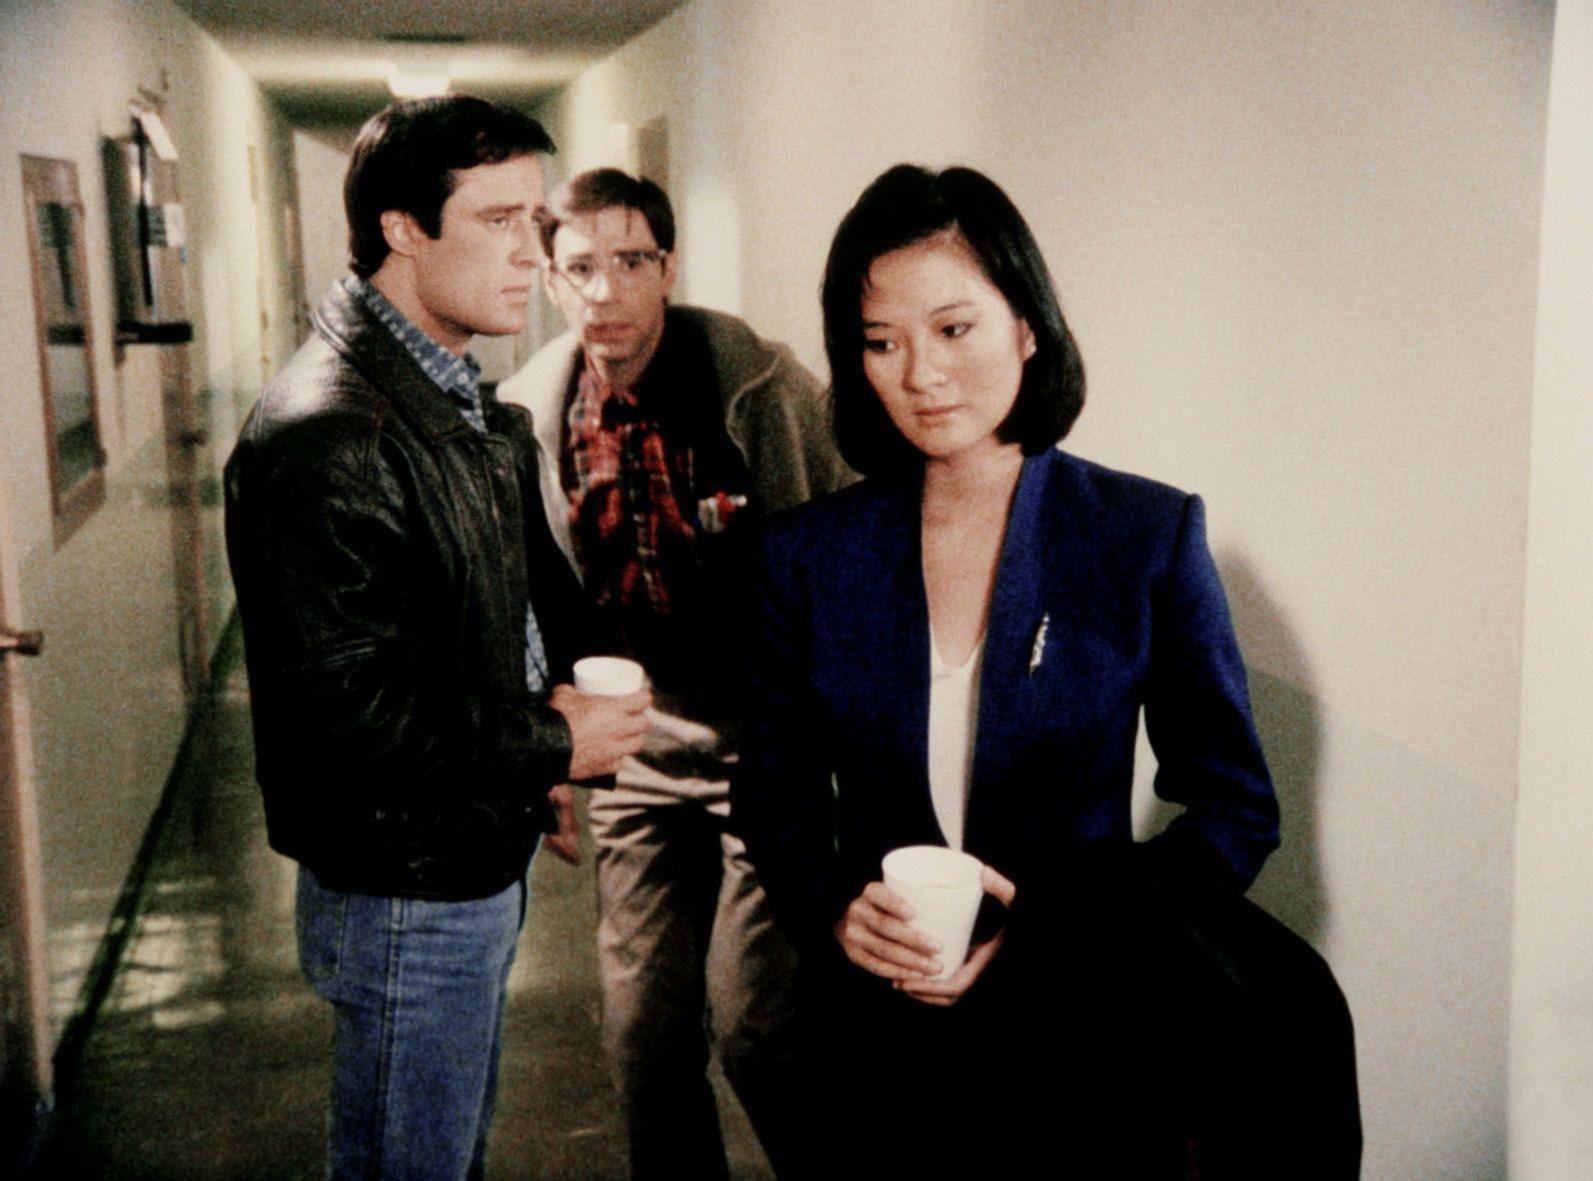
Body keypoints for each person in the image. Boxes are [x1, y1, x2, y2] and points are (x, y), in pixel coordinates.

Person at [731, 164, 1361, 1178]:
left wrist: (1056, 932)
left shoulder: (1140, 534)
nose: (921, 374)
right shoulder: (807, 554)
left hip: (1083, 1032)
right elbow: (774, 794)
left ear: (1028, 325)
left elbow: (1236, 807)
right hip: (877, 1044)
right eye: (881, 342)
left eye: (954, 328)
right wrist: (835, 907)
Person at [223, 98, 652, 1180]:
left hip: (460, 847)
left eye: (532, 220)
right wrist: (552, 742)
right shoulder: (332, 435)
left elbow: (482, 610)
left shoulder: (445, 392)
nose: (532, 254)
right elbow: (348, 724)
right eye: (496, 220)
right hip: (405, 886)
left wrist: (538, 751)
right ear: (402, 229)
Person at [496, 167, 845, 1179]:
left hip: (764, 747)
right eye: (580, 267)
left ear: (669, 266)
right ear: (552, 281)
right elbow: (528, 598)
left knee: (756, 1026)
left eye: (631, 260)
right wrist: (547, 751)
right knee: (642, 1036)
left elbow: (852, 544)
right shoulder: (531, 417)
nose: (605, 290)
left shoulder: (762, 390)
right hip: (632, 745)